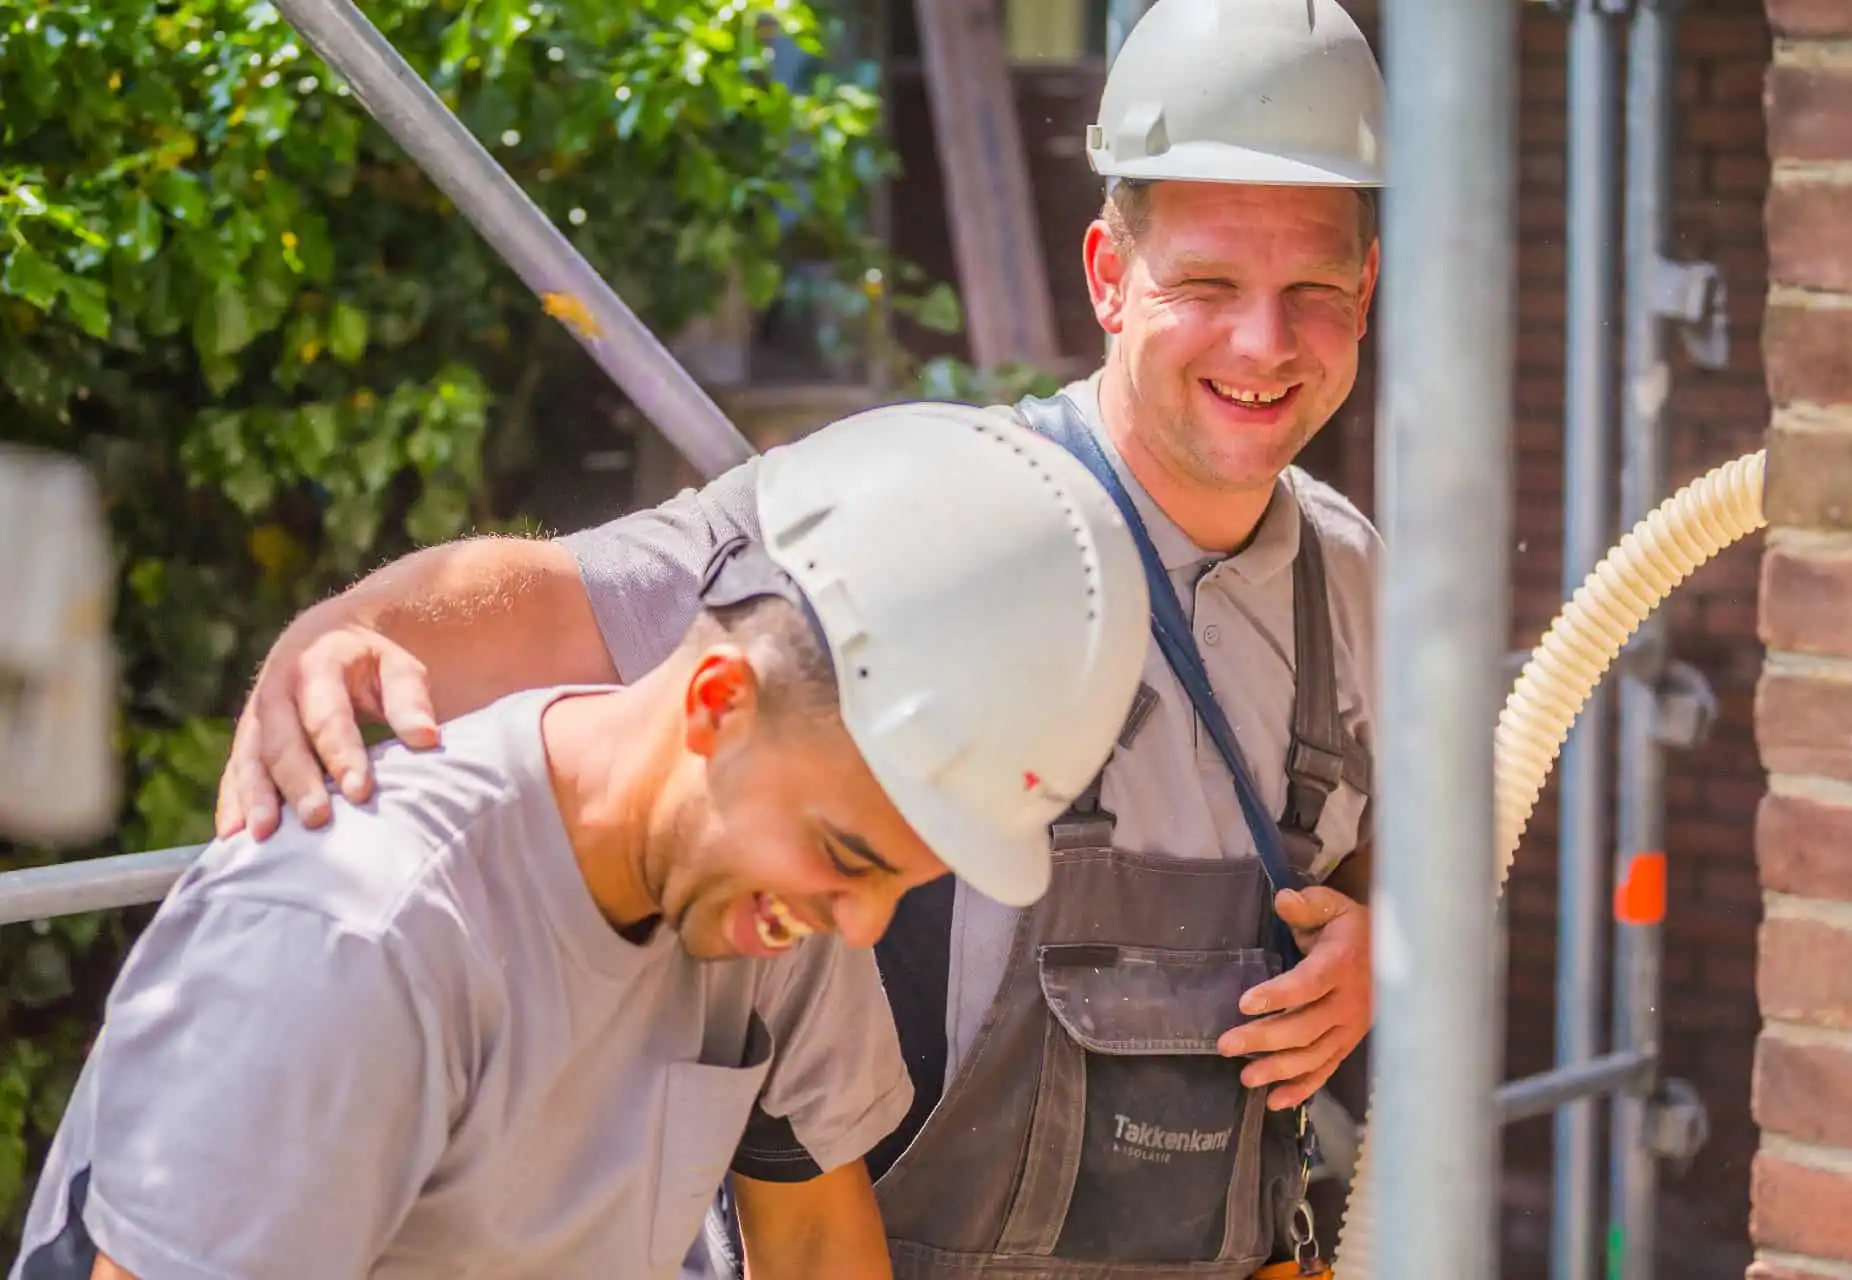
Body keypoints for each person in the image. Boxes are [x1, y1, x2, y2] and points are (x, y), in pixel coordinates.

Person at [210, 0, 1389, 1273]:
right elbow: (573, 595)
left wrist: (1380, 951)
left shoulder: (1350, 581)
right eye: (1207, 283)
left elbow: (1390, 849)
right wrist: (341, 636)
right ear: (1109, 274)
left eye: (1311, 290)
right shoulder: (936, 529)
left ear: (1367, 290)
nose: (1264, 344)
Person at [9, 402, 1153, 1280]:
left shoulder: (772, 909)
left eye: (905, 882)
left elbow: (811, 1243)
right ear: (717, 703)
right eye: (852, 859)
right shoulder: (363, 934)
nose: (861, 921)